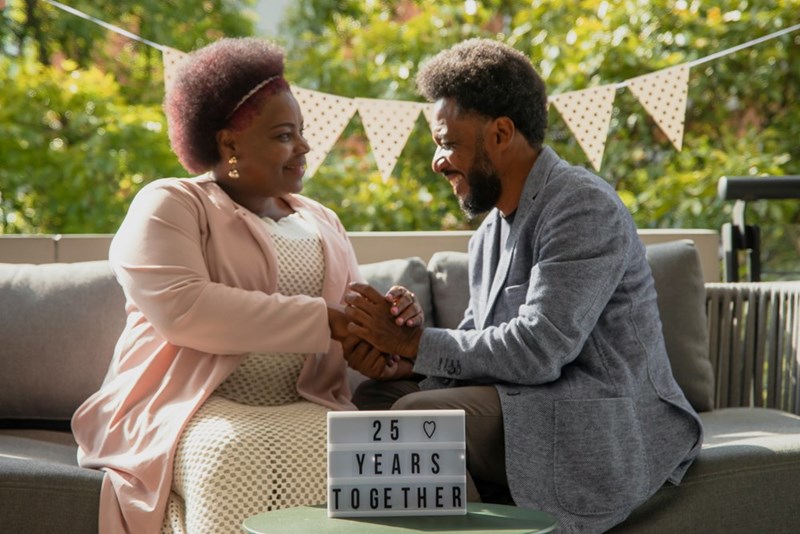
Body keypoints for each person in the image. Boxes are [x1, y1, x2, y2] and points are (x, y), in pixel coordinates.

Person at [343, 38, 703, 533]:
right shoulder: (489, 232)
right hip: (530, 398)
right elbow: (478, 340)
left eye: (447, 143)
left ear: (501, 134)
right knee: (374, 400)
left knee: (414, 419)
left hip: (599, 412)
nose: (437, 161)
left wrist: (415, 343)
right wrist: (405, 360)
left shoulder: (580, 206)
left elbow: (539, 349)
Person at [71, 37, 419, 534]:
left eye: (301, 132)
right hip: (186, 409)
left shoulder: (324, 221)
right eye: (284, 136)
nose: (304, 147)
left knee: (362, 449)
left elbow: (353, 331)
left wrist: (387, 334)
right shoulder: (169, 204)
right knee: (232, 454)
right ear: (229, 145)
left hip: (305, 405)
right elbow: (186, 309)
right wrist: (327, 322)